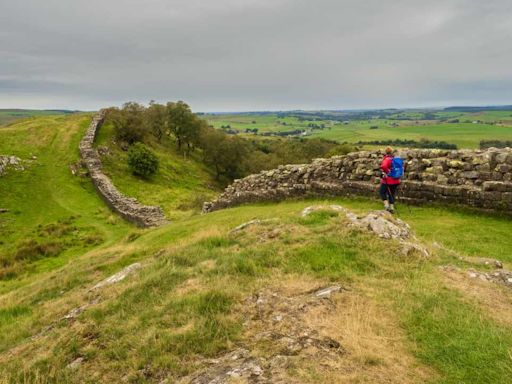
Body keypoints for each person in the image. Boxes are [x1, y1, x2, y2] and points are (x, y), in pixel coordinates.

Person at [379, 146, 403, 213]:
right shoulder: (395, 159)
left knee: (382, 192)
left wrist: (388, 172)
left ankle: (386, 206)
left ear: (386, 152)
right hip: (396, 180)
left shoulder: (387, 159)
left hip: (388, 180)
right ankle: (392, 208)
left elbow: (383, 166)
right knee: (392, 194)